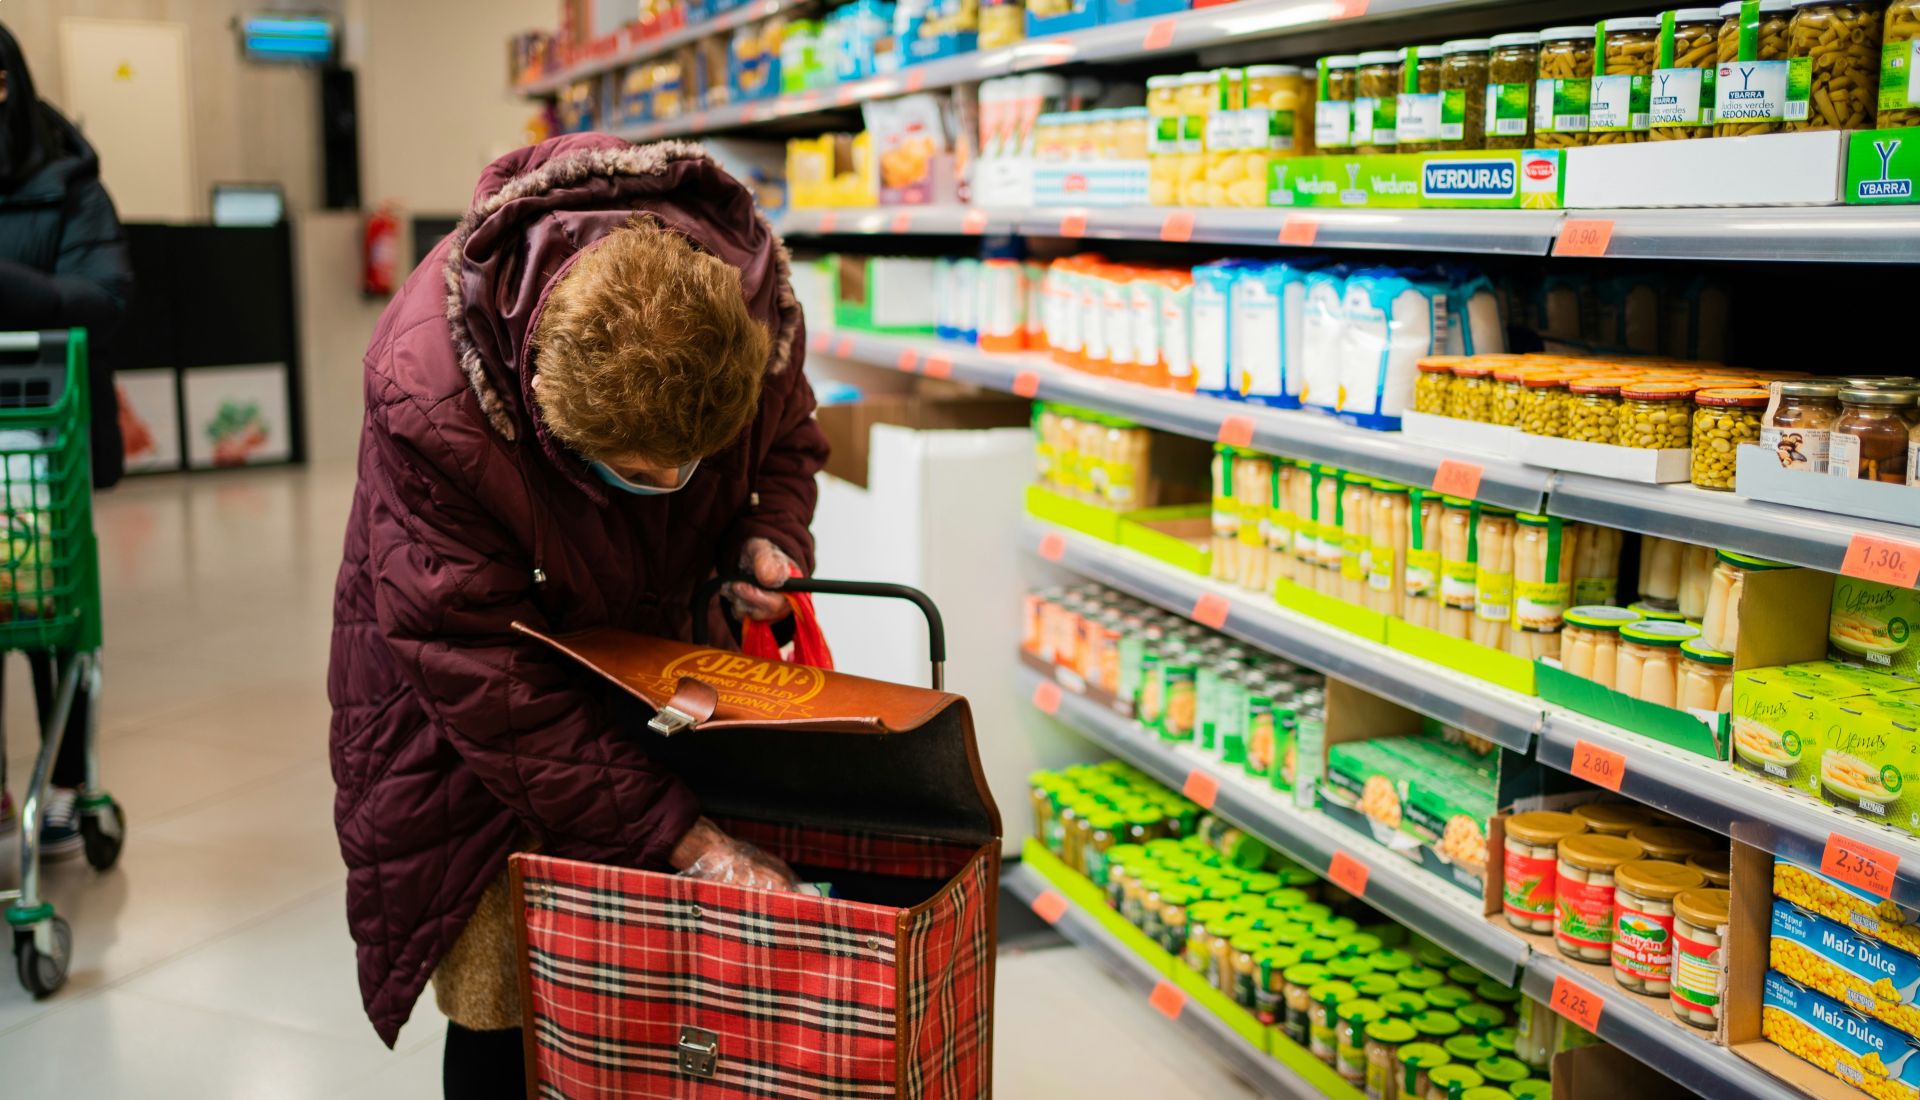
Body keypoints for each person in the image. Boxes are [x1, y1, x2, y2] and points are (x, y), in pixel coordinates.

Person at [327, 133, 828, 1099]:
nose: (672, 489)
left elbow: (788, 443)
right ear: (548, 418)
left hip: (665, 673)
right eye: (636, 476)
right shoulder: (431, 388)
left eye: (690, 466)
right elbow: (476, 664)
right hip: (476, 726)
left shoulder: (751, 315)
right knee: (505, 990)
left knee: (673, 992)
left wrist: (768, 531)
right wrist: (683, 839)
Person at [0, 22, 130, 854]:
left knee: (49, 616)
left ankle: (69, 781)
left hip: (38, 446)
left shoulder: (68, 179)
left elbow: (106, 299)